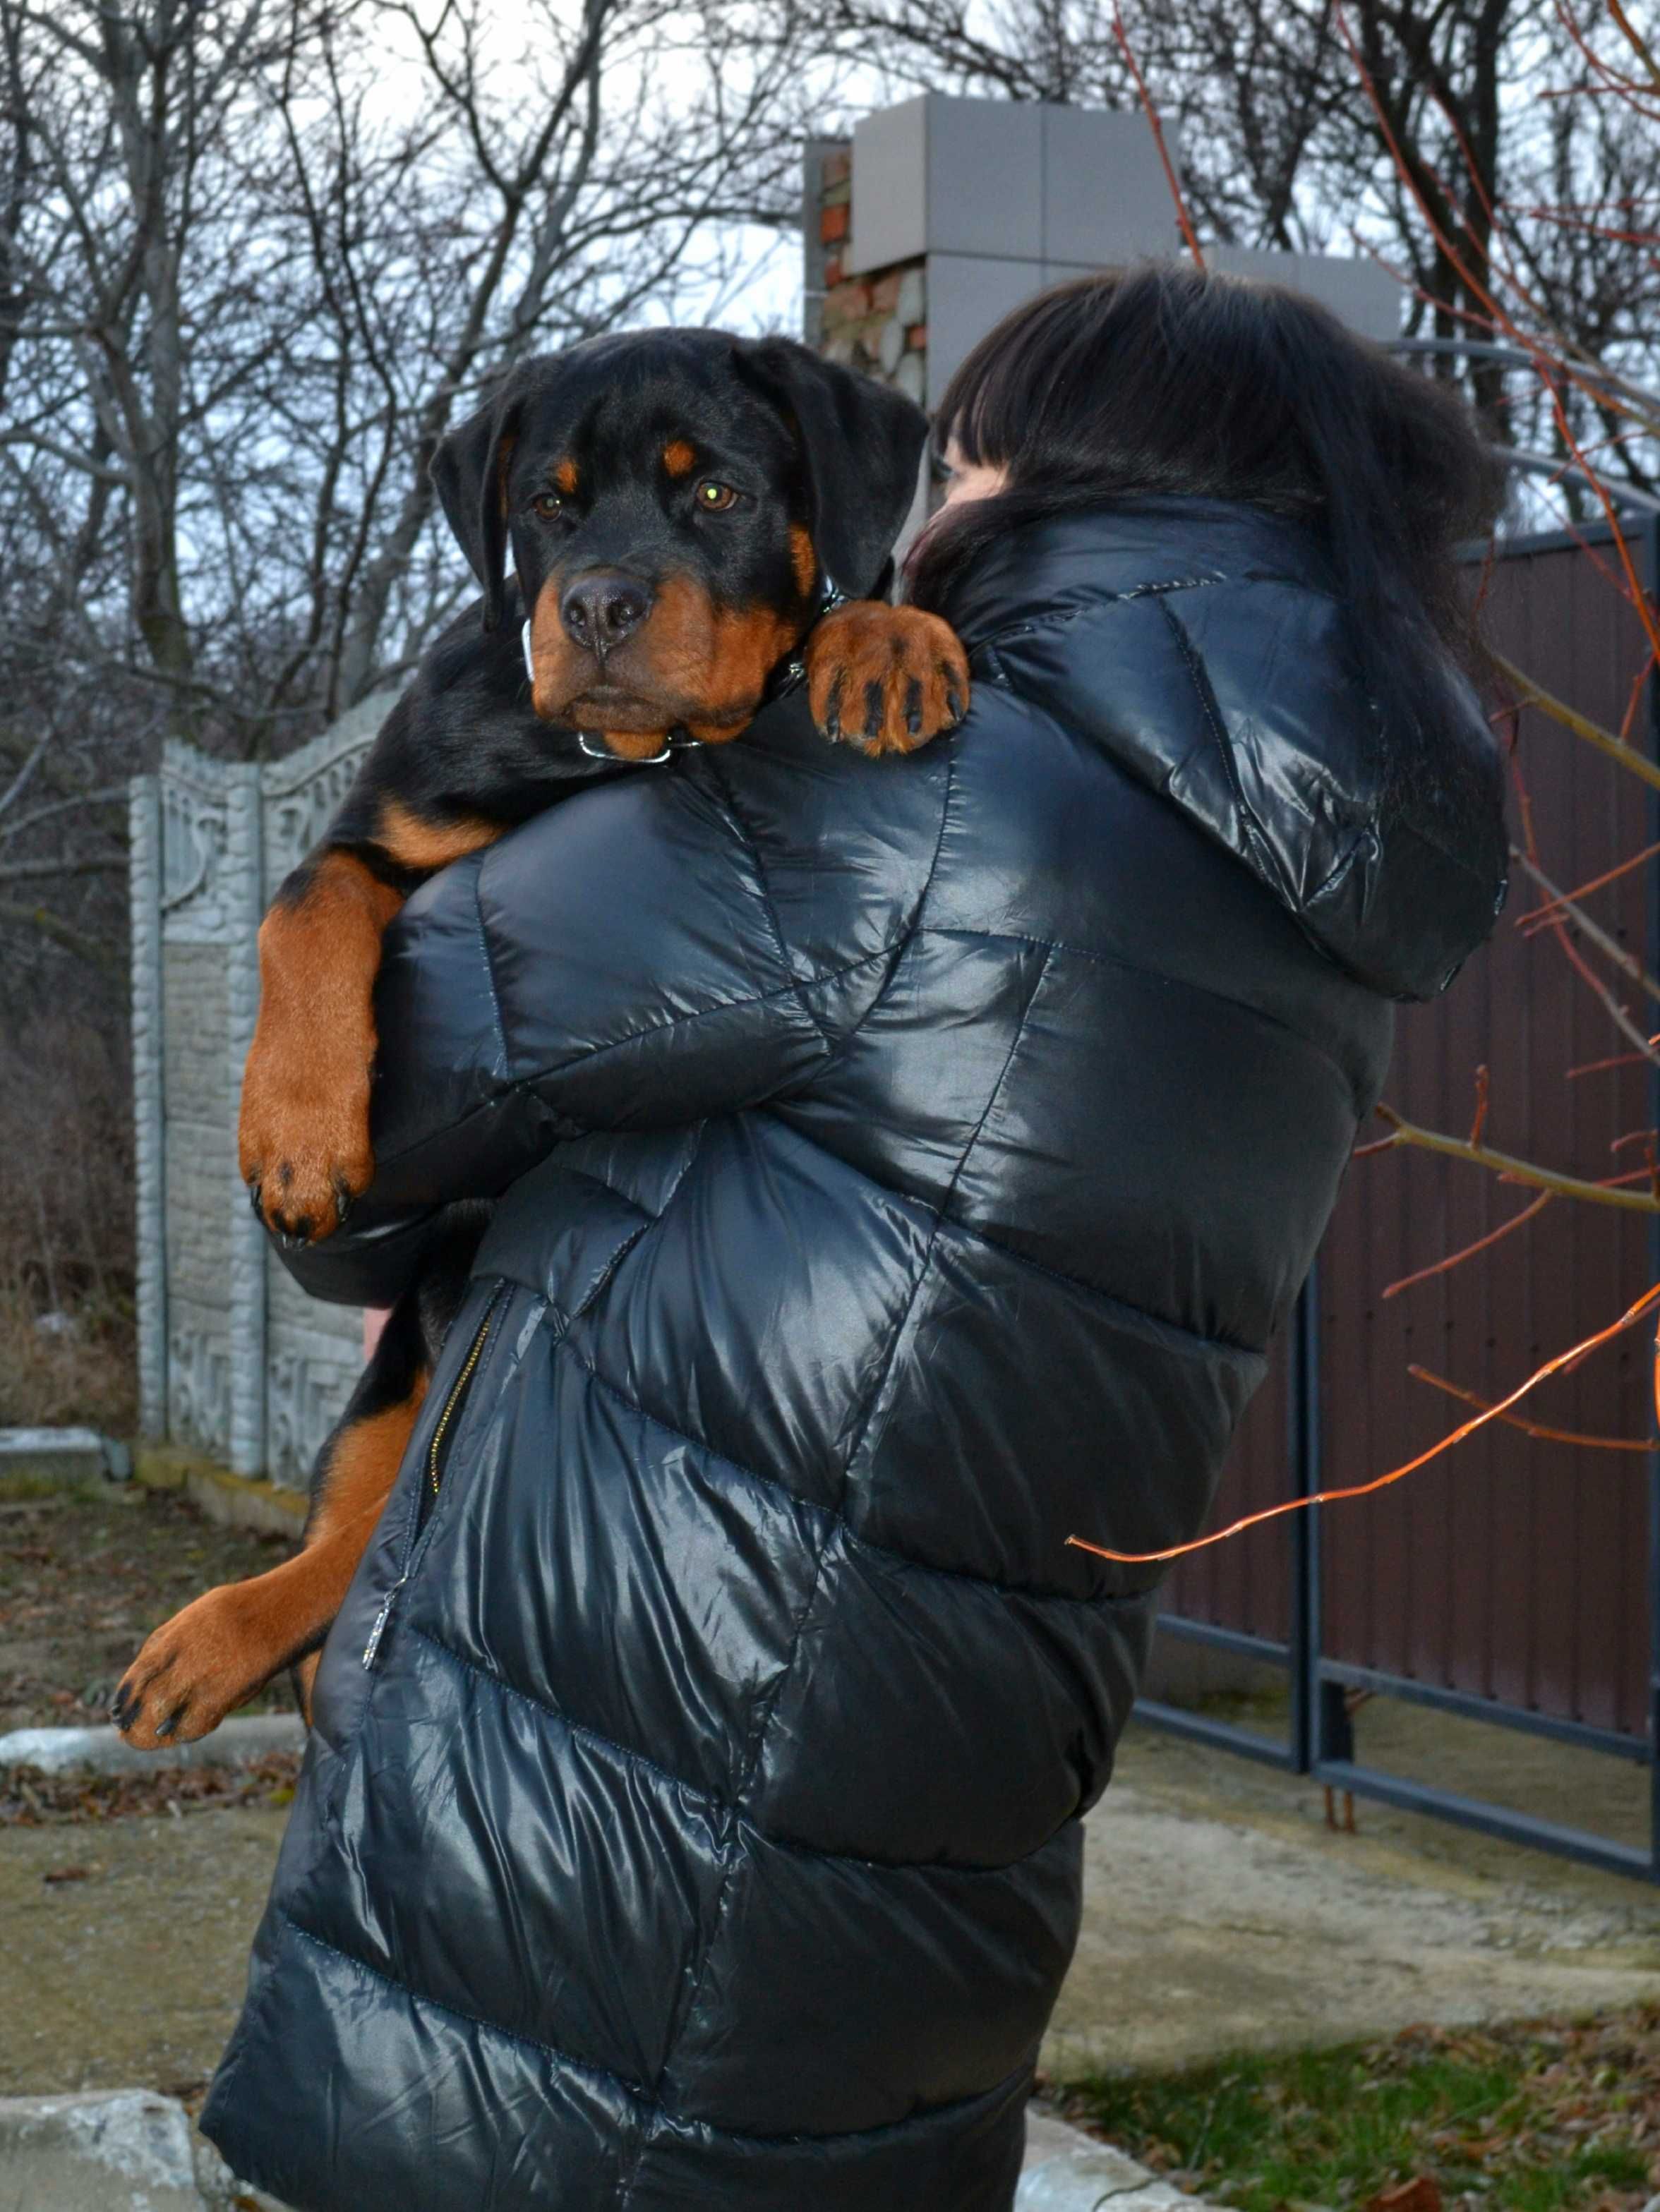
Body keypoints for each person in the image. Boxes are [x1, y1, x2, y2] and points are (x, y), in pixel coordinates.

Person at [202, 267, 1508, 2212]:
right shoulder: (1308, 892)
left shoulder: (898, 787)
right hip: (931, 1884)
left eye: (965, 456)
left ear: (1062, 489)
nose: (938, 502)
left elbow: (348, 1172)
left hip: (599, 1887)